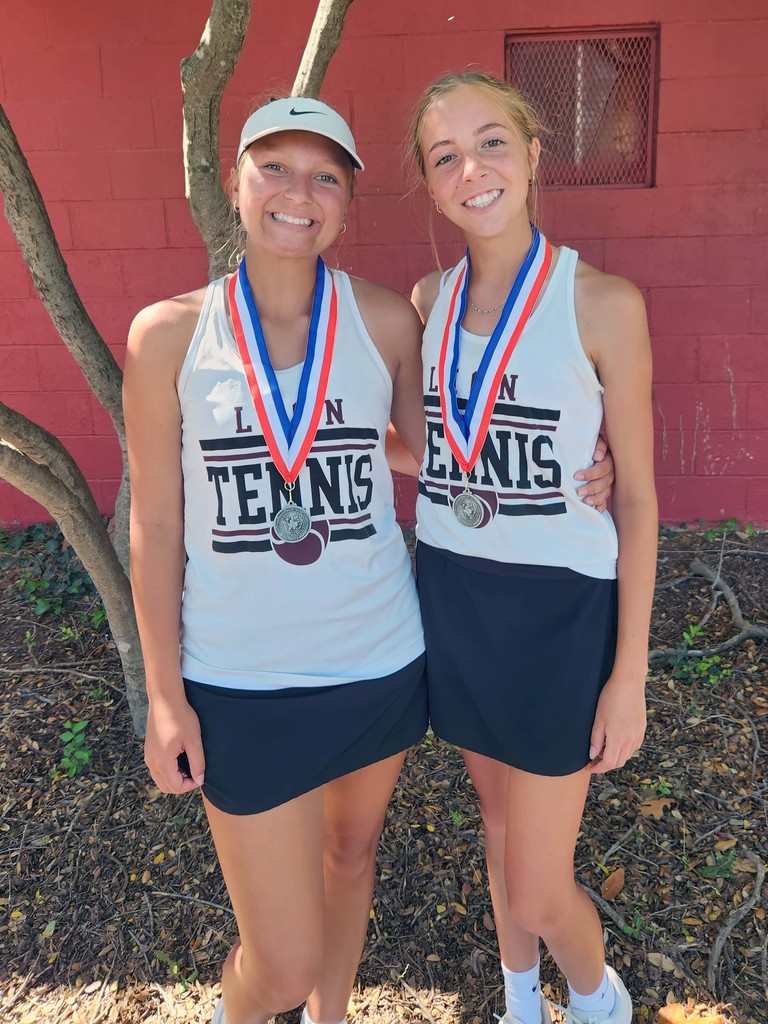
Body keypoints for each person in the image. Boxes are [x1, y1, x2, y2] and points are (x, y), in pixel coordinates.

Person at [124, 96, 614, 1024]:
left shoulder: (388, 321)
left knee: (351, 859)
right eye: (275, 166)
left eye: (325, 175)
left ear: (348, 199)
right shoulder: (169, 337)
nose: (297, 193)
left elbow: (455, 443)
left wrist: (596, 450)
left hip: (377, 661)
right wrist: (162, 692)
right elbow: (155, 524)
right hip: (238, 676)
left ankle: (333, 1016)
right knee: (275, 962)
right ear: (235, 180)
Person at [408, 71, 657, 1024]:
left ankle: (598, 1001)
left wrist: (627, 672)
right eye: (445, 157)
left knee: (543, 882)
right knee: (499, 820)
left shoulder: (604, 304)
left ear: (534, 154)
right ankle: (520, 1000)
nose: (472, 169)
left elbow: (636, 498)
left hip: (560, 613)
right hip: (458, 592)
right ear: (431, 186)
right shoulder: (428, 301)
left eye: (491, 143)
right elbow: (424, 445)